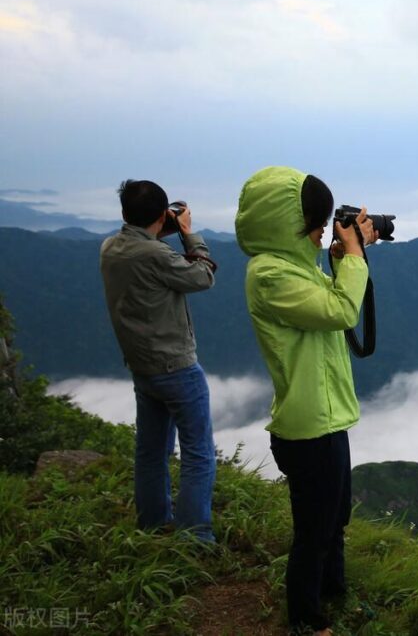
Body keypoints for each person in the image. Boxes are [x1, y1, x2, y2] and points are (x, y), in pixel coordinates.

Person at [235, 166, 377, 635]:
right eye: (316, 225)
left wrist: (342, 258)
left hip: (329, 417)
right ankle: (305, 620)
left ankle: (333, 593)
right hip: (306, 426)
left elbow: (331, 301)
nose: (321, 234)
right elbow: (340, 310)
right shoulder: (269, 275)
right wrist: (355, 256)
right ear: (286, 222)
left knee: (336, 518)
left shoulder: (296, 267)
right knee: (313, 532)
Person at [99, 179, 218, 543]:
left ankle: (152, 524)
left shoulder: (110, 247)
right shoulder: (155, 256)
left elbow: (149, 256)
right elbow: (203, 276)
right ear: (162, 214)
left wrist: (160, 229)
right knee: (198, 453)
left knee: (150, 451)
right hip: (177, 367)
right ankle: (194, 537)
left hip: (142, 367)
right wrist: (187, 233)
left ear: (124, 213)